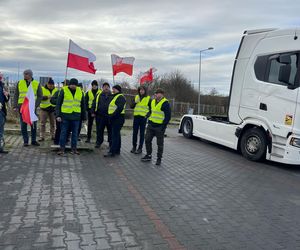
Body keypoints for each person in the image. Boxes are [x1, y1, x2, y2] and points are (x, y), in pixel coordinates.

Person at [56, 78, 86, 155]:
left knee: (75, 134)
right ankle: (62, 149)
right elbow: (58, 103)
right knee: (63, 133)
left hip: (76, 117)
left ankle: (74, 149)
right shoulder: (64, 90)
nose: (73, 86)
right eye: (72, 84)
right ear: (69, 84)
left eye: (75, 84)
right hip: (65, 116)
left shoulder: (80, 92)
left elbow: (83, 105)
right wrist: (58, 115)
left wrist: (84, 117)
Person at [141, 88, 171, 166]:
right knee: (147, 140)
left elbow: (168, 117)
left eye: (157, 93)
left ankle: (159, 159)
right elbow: (151, 111)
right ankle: (148, 155)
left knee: (159, 144)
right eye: (155, 93)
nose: (156, 95)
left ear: (162, 94)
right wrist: (147, 115)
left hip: (159, 127)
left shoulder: (165, 103)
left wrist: (163, 127)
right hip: (151, 125)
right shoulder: (153, 101)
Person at [13, 69, 42, 146]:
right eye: (24, 74)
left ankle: (33, 140)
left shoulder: (36, 83)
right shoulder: (20, 83)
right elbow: (16, 95)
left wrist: (36, 105)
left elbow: (40, 96)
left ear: (30, 75)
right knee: (23, 124)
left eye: (26, 74)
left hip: (32, 108)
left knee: (33, 124)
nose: (25, 75)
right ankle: (25, 141)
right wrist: (15, 106)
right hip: (22, 107)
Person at [104, 84, 126, 157]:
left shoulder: (120, 97)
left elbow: (119, 108)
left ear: (118, 90)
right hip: (115, 118)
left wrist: (112, 116)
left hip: (117, 118)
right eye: (113, 89)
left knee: (114, 136)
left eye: (114, 89)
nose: (112, 90)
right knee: (117, 135)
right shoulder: (116, 96)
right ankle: (117, 150)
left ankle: (112, 151)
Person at [130, 86, 151, 154]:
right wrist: (135, 102)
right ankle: (134, 147)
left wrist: (147, 116)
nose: (141, 91)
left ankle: (140, 148)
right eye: (140, 90)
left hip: (143, 118)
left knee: (142, 134)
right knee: (134, 133)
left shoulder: (148, 98)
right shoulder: (136, 97)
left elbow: (151, 109)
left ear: (145, 91)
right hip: (136, 117)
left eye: (142, 90)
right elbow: (131, 106)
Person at [91, 82, 111, 149]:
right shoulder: (98, 95)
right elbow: (94, 103)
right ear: (102, 88)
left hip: (109, 116)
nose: (106, 87)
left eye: (107, 86)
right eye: (104, 86)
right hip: (100, 116)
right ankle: (98, 142)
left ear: (109, 87)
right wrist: (93, 112)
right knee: (99, 130)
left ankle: (110, 143)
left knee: (110, 130)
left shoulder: (112, 95)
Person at [51, 80, 69, 145]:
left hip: (67, 113)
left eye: (66, 84)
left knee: (67, 128)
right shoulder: (58, 92)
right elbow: (52, 100)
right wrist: (59, 101)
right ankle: (56, 141)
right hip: (59, 113)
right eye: (64, 84)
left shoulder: (71, 93)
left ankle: (65, 140)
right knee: (58, 128)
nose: (64, 85)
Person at [0, 73, 10, 153]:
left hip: (2, 111)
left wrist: (7, 95)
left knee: (1, 131)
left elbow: (5, 100)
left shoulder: (2, 86)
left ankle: (1, 148)